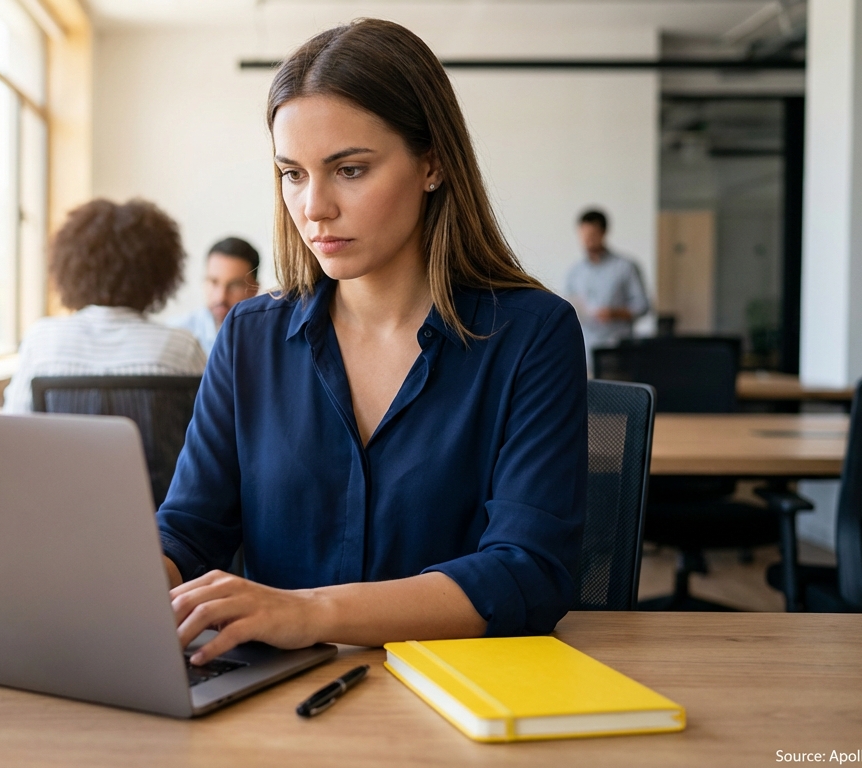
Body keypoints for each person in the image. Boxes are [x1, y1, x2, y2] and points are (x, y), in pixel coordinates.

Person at [157, 19, 587, 666]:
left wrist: (310, 613)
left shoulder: (532, 333)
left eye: (349, 169)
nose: (314, 207)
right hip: (276, 705)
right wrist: (124, 594)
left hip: (457, 705)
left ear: (433, 164)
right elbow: (189, 532)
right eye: (292, 174)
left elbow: (526, 571)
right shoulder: (249, 336)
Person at [2, 199, 206, 413]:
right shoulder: (182, 348)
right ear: (161, 272)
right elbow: (213, 434)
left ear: (70, 268)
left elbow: (13, 428)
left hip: (62, 448)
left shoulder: (41, 341)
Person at [564, 208, 650, 367]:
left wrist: (614, 313)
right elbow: (570, 305)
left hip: (617, 350)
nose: (587, 240)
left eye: (592, 235)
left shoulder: (625, 267)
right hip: (585, 351)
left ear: (604, 233)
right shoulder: (575, 272)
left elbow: (643, 305)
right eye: (584, 235)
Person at [170, 237, 261, 355]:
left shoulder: (269, 338)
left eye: (234, 285)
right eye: (214, 282)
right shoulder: (177, 335)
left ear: (254, 288)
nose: (221, 297)